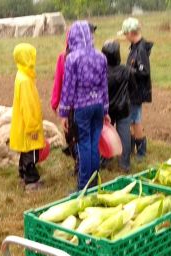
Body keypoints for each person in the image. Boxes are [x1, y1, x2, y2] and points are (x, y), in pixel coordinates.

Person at [59, 21, 110, 191]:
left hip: (82, 107)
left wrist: (64, 114)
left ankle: (83, 186)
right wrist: (105, 110)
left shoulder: (72, 58)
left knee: (84, 145)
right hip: (97, 106)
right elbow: (104, 86)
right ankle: (94, 182)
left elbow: (68, 87)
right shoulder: (101, 56)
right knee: (94, 144)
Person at [10, 43, 45, 192]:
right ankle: (31, 180)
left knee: (25, 150)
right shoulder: (25, 80)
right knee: (31, 151)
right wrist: (33, 127)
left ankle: (22, 173)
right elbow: (28, 107)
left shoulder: (22, 75)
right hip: (28, 124)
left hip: (23, 123)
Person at [120, 17, 153, 160]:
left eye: (125, 34)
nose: (125, 37)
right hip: (133, 90)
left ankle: (141, 151)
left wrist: (128, 71)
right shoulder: (135, 47)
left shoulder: (140, 50)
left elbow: (144, 71)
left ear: (131, 33)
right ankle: (133, 147)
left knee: (135, 120)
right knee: (133, 119)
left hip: (137, 91)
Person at [102, 40, 136, 173]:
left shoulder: (101, 72)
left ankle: (104, 158)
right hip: (123, 108)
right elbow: (133, 88)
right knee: (124, 135)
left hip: (107, 109)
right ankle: (125, 164)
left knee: (104, 135)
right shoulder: (127, 70)